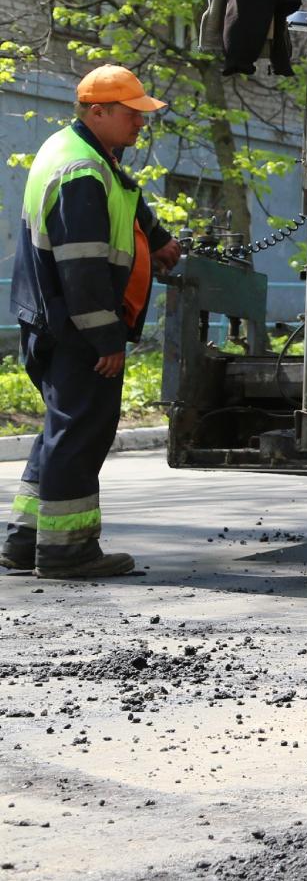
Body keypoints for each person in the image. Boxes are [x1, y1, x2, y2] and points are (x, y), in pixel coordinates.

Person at [4, 67, 181, 579]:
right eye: (132, 114)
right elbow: (81, 268)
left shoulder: (80, 152)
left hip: (53, 320)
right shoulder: (82, 170)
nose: (140, 123)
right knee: (81, 432)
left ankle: (26, 540)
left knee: (64, 428)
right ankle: (68, 551)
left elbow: (124, 195)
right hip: (77, 326)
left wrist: (157, 237)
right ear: (97, 112)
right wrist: (106, 338)